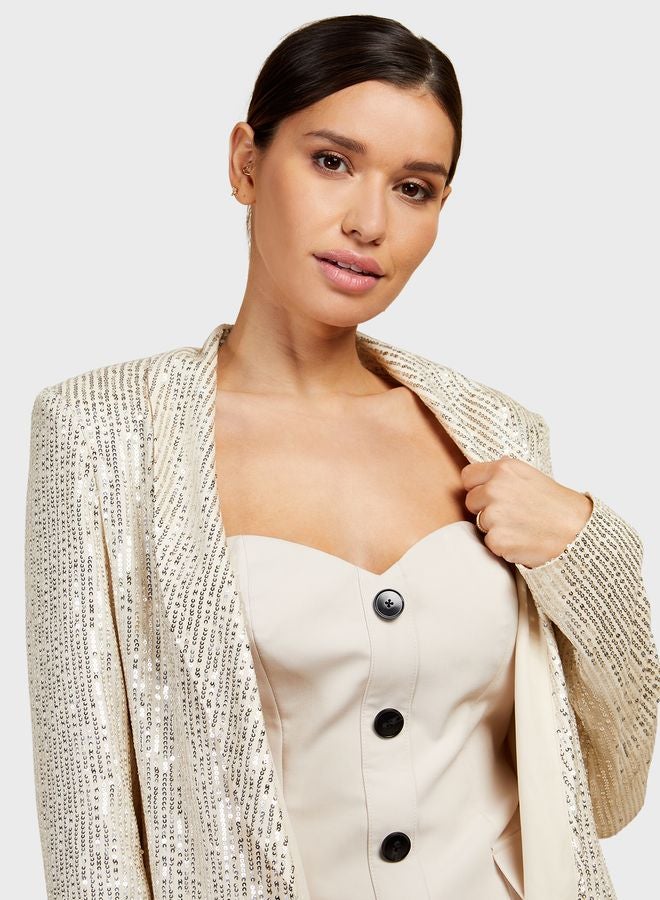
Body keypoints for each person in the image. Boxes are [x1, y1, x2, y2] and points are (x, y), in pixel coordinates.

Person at [25, 14, 659, 900]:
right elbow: (89, 829)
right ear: (247, 164)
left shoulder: (497, 433)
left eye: (414, 188)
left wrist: (591, 552)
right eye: (332, 161)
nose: (369, 223)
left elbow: (610, 789)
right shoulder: (102, 436)